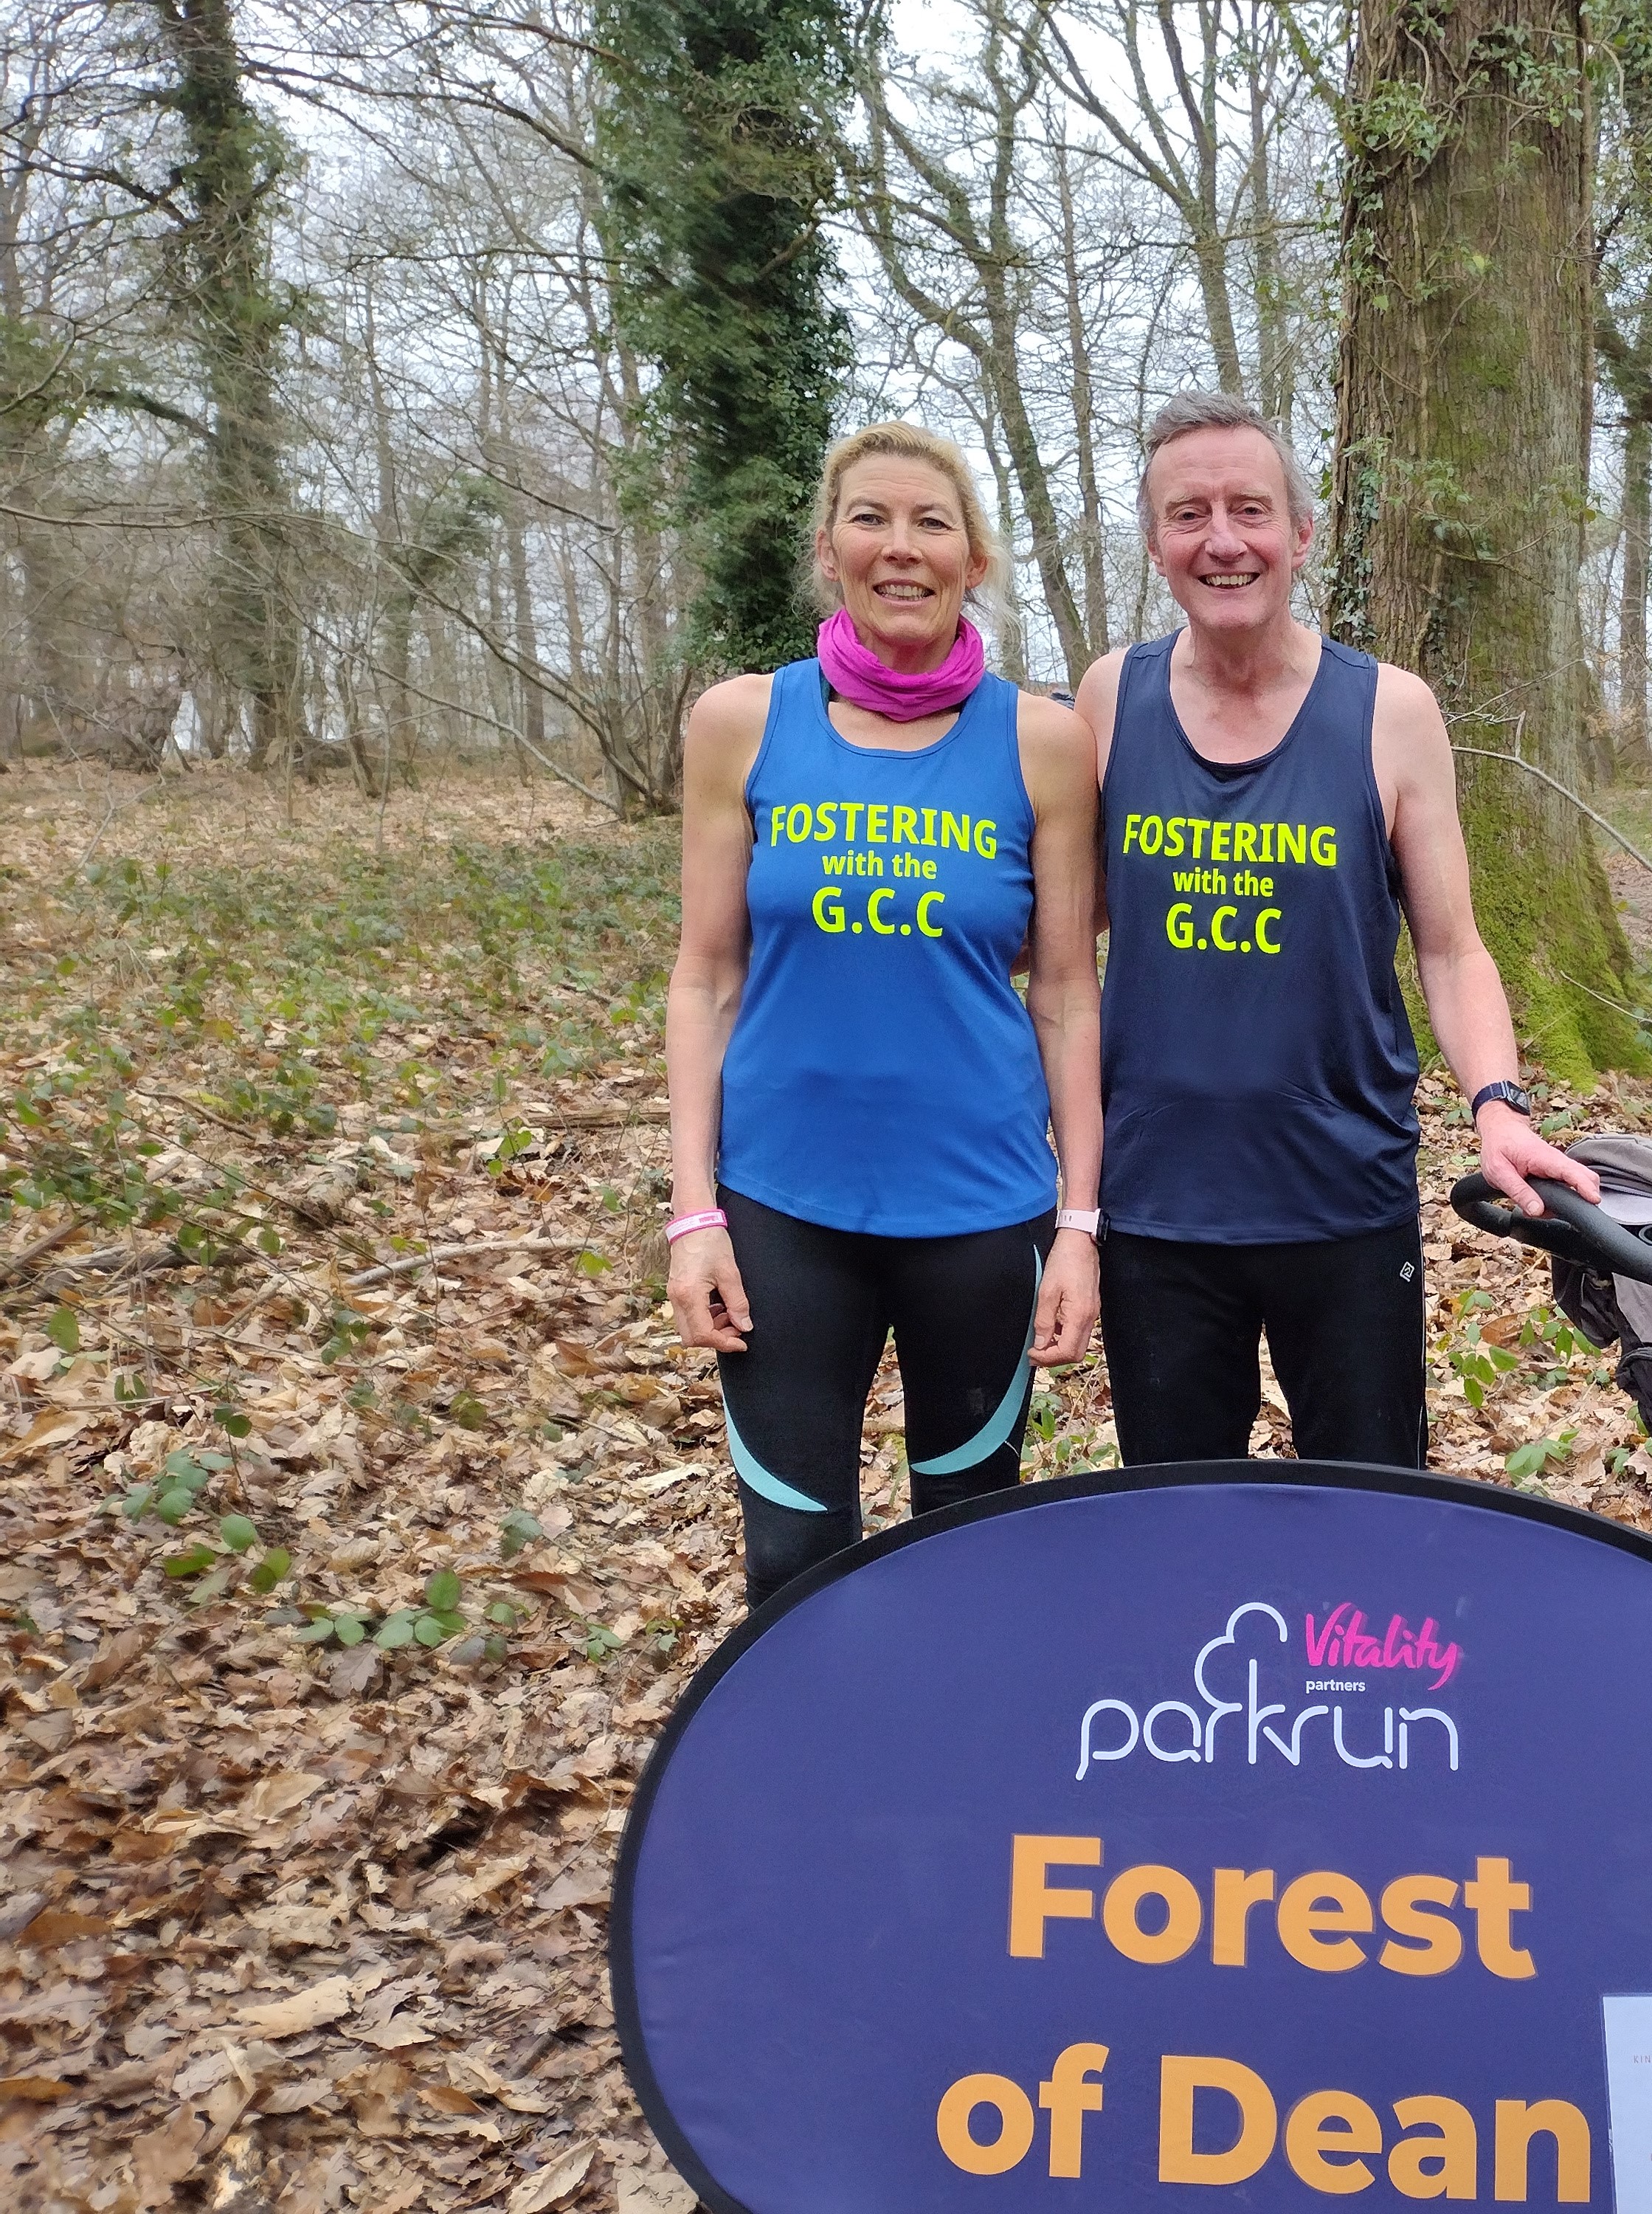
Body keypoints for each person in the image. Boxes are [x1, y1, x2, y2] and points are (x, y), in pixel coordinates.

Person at [1075, 390, 1600, 1469]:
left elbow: (1451, 949)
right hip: (1157, 1202)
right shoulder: (1105, 701)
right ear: (1154, 541)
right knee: (1175, 1520)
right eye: (1188, 514)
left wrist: (1496, 1106)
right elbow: (1058, 962)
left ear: (1302, 534)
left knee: (1370, 1519)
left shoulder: (1388, 711)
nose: (1222, 540)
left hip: (1342, 1195)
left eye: (1249, 509)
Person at [666, 423, 1102, 1607]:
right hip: (782, 1207)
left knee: (964, 1559)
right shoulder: (741, 724)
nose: (899, 548)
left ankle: (951, 1783)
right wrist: (691, 1211)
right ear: (828, 549)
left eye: (930, 523)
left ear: (973, 560)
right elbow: (705, 973)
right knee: (795, 1565)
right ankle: (818, 1791)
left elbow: (1064, 992)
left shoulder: (1043, 742)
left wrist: (1079, 1223)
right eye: (870, 519)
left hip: (980, 1212)